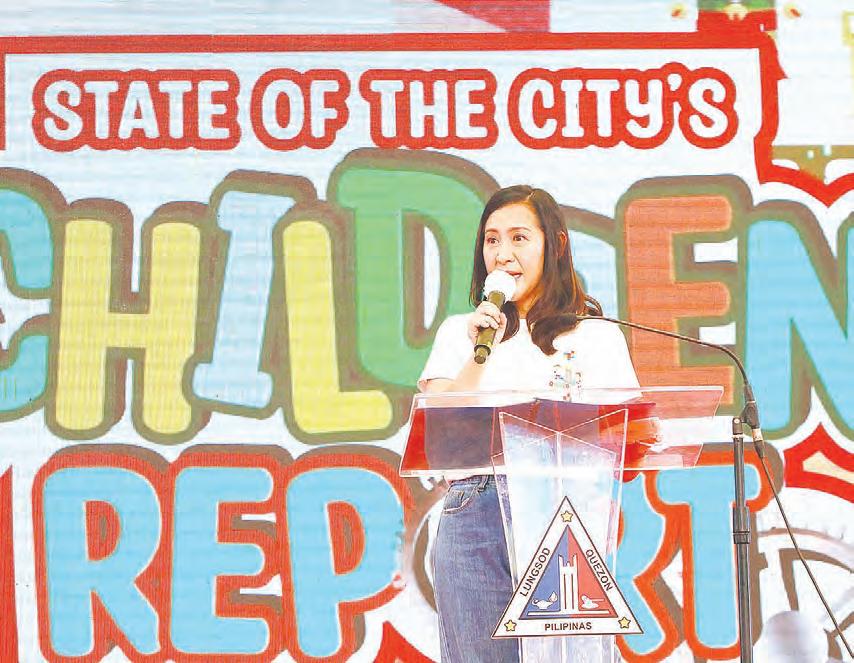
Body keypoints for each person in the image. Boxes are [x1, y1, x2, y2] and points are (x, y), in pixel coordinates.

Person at [417, 185, 640, 663]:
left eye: (519, 238)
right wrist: (481, 349)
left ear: (554, 245)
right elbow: (437, 430)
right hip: (475, 511)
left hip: (564, 511)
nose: (503, 254)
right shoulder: (461, 333)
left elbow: (628, 439)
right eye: (491, 240)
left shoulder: (596, 336)